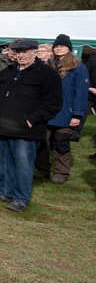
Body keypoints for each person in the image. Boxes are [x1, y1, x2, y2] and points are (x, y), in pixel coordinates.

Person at [0, 39, 63, 212]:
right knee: (2, 162)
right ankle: (5, 192)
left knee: (23, 165)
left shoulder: (47, 74)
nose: (21, 55)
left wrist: (33, 119)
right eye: (18, 52)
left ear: (35, 52)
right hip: (0, 126)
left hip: (25, 130)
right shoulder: (6, 72)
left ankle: (21, 198)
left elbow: (53, 102)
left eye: (25, 52)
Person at [34, 34, 89, 184]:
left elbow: (81, 93)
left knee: (62, 143)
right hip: (46, 111)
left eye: (62, 46)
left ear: (69, 49)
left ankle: (61, 172)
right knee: (41, 142)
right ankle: (42, 169)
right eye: (56, 46)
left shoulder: (78, 68)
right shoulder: (46, 66)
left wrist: (77, 115)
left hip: (66, 112)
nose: (59, 48)